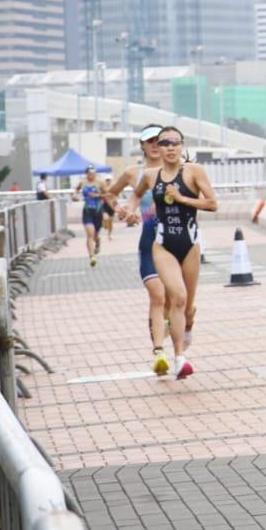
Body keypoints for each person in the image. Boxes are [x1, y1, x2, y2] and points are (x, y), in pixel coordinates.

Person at [131, 127, 214, 378]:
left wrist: (181, 198)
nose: (169, 147)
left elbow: (212, 203)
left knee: (187, 306)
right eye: (164, 143)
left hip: (189, 245)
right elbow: (136, 194)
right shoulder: (150, 175)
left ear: (182, 146)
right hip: (163, 245)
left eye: (174, 142)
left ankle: (187, 324)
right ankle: (179, 358)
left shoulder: (194, 171)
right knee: (177, 297)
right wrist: (129, 209)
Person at [104, 127, 172, 367]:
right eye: (148, 141)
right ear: (142, 145)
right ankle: (159, 353)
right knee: (157, 295)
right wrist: (122, 210)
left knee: (173, 300)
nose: (154, 145)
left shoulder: (176, 169)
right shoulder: (133, 173)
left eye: (158, 140)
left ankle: (167, 325)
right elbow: (111, 195)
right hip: (149, 242)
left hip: (175, 243)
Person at [79, 167, 106, 265]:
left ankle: (97, 241)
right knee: (90, 234)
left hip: (98, 211)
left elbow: (107, 195)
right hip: (87, 211)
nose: (92, 175)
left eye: (93, 173)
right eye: (90, 173)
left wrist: (97, 195)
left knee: (95, 235)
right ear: (86, 174)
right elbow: (76, 190)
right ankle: (92, 257)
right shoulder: (83, 183)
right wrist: (74, 196)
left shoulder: (100, 183)